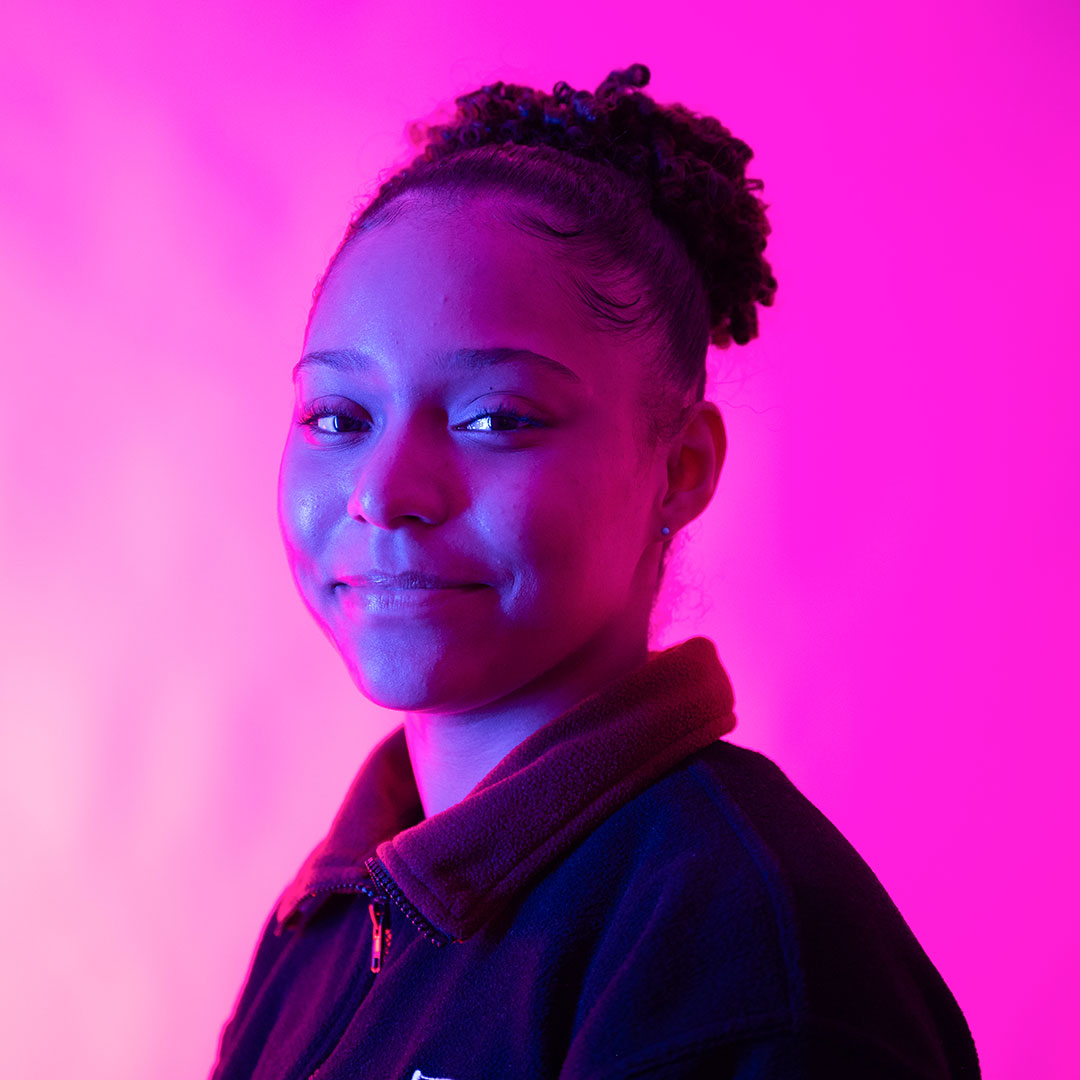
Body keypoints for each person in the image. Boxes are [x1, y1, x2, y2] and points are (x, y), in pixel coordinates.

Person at [209, 64, 980, 1079]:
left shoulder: (738, 967)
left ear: (680, 469)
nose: (386, 490)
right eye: (337, 419)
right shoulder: (328, 913)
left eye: (496, 419)